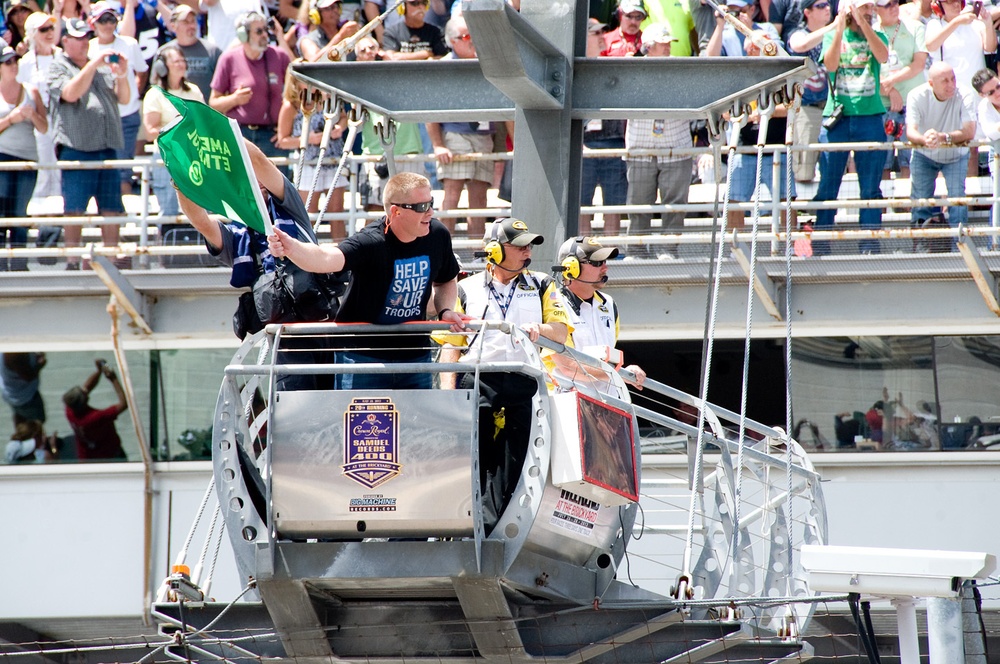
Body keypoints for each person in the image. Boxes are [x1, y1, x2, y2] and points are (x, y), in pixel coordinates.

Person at [266, 171, 466, 390]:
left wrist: (445, 310)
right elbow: (326, 259)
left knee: (415, 424)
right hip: (362, 356)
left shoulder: (438, 234)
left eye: (431, 203)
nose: (430, 212)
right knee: (360, 425)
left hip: (415, 354)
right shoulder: (371, 241)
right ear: (396, 211)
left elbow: (446, 280)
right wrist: (290, 247)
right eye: (421, 207)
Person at [176, 136, 342, 386]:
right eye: (248, 181)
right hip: (286, 343)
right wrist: (181, 182)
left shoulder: (291, 209)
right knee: (292, 409)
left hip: (327, 328)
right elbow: (201, 222)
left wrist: (221, 133)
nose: (258, 184)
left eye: (259, 179)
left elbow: (258, 161)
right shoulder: (237, 238)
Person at [445, 218, 570, 511]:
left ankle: (492, 524)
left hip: (522, 379)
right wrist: (449, 396)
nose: (528, 252)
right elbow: (451, 347)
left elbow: (561, 330)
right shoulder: (465, 287)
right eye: (520, 246)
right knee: (475, 457)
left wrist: (542, 330)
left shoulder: (542, 283)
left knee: (515, 462)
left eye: (529, 246)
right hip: (477, 377)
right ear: (495, 250)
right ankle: (467, 521)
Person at [47, 17, 131, 270]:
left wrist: (123, 74)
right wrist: (94, 64)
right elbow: (71, 93)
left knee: (111, 207)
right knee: (74, 208)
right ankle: (72, 260)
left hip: (106, 147)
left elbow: (124, 99)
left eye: (86, 38)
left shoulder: (100, 67)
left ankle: (111, 260)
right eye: (78, 38)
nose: (84, 43)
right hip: (77, 148)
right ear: (65, 41)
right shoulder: (58, 66)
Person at [811, 0, 888, 256]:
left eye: (870, 8)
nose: (867, 11)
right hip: (838, 120)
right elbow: (830, 65)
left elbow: (883, 56)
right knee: (828, 186)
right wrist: (841, 26)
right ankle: (820, 244)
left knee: (870, 187)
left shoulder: (878, 35)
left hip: (870, 117)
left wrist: (863, 23)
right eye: (863, 7)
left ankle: (869, 244)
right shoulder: (833, 35)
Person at [623, 23, 692, 253]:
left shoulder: (682, 70)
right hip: (641, 149)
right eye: (662, 44)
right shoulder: (632, 71)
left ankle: (667, 251)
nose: (666, 48)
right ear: (648, 47)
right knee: (638, 206)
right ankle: (636, 252)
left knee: (674, 207)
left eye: (667, 44)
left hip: (677, 147)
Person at [427, 16, 494, 238]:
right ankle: (442, 251)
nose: (472, 40)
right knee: (452, 196)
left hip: (484, 135)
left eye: (475, 34)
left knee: (479, 199)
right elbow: (430, 110)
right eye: (467, 36)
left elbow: (507, 108)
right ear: (453, 41)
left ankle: (478, 254)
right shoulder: (443, 67)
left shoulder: (489, 63)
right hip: (454, 134)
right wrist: (437, 145)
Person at [555, 236, 647, 388]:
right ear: (571, 266)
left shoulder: (609, 304)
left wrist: (621, 372)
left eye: (605, 262)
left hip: (608, 403)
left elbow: (609, 358)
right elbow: (568, 366)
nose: (605, 268)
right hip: (567, 404)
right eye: (597, 263)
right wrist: (620, 373)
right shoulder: (553, 304)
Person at [905, 61, 976, 246]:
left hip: (956, 155)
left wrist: (942, 137)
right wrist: (925, 140)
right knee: (920, 201)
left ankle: (960, 248)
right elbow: (910, 132)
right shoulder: (916, 95)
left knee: (957, 200)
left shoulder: (965, 93)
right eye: (945, 81)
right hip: (923, 153)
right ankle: (920, 247)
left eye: (953, 78)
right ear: (931, 83)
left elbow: (970, 131)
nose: (951, 84)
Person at [274, 64, 348, 238]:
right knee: (308, 213)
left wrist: (339, 128)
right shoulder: (291, 105)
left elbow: (344, 117)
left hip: (333, 160)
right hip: (308, 164)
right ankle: (307, 257)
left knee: (337, 213)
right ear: (295, 81)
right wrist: (308, 139)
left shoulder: (329, 98)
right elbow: (282, 141)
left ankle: (343, 258)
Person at [209, 11, 291, 160]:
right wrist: (234, 99)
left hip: (272, 138)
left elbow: (298, 90)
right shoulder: (228, 59)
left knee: (275, 184)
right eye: (259, 31)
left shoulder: (280, 56)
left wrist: (286, 127)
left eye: (266, 30)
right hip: (240, 135)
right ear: (243, 35)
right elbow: (213, 103)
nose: (265, 35)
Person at [89, 1, 148, 198]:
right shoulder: (87, 48)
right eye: (103, 19)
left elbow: (142, 71)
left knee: (123, 171)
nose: (108, 24)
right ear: (93, 23)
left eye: (112, 18)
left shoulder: (129, 43)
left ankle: (123, 221)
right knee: (100, 170)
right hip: (98, 119)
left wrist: (133, 93)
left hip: (126, 116)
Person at [142, 43, 204, 218]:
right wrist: (176, 129)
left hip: (193, 158)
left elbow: (202, 124)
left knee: (198, 211)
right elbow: (149, 131)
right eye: (176, 61)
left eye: (183, 60)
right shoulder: (155, 94)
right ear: (163, 67)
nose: (181, 64)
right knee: (168, 212)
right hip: (166, 159)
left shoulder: (194, 91)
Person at [0, 38, 45, 272]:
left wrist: (32, 116)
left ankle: (19, 265)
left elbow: (45, 127)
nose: (13, 65)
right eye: (7, 62)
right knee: (1, 211)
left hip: (27, 159)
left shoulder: (31, 90)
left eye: (14, 60)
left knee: (19, 211)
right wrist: (11, 119)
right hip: (2, 159)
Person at [875, 0, 926, 179]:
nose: (894, 7)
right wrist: (890, 90)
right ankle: (881, 207)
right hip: (881, 103)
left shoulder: (915, 27)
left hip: (912, 102)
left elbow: (919, 64)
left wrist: (890, 81)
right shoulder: (871, 31)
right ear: (876, 9)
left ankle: (908, 207)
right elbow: (867, 70)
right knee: (881, 163)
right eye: (887, 5)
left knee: (912, 161)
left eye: (895, 2)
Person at [786, 0, 835, 183]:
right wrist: (834, 27)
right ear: (807, 12)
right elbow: (800, 45)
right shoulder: (797, 33)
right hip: (808, 108)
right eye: (820, 6)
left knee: (833, 168)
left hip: (834, 109)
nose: (827, 9)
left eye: (828, 5)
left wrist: (835, 29)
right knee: (804, 172)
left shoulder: (836, 34)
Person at [17, 11, 60, 202]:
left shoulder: (62, 56)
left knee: (60, 167)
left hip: (63, 119)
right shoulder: (24, 62)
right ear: (32, 34)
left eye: (51, 28)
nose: (49, 33)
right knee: (43, 165)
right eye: (44, 30)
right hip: (36, 122)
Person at [63, 358, 128, 461]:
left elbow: (87, 387)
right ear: (85, 401)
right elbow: (124, 404)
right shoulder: (95, 418)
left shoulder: (70, 410)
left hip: (87, 457)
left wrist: (99, 371)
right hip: (109, 456)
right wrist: (113, 379)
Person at [156, 4, 221, 101]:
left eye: (193, 21)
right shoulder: (164, 52)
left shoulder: (213, 51)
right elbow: (156, 84)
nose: (191, 26)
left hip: (205, 112)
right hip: (173, 111)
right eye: (186, 22)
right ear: (173, 26)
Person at [381, 0, 448, 60]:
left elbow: (443, 58)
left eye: (424, 3)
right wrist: (424, 54)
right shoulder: (391, 32)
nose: (421, 7)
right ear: (402, 7)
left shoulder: (436, 32)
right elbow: (390, 58)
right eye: (415, 3)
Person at [0, 352, 46, 428]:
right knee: (35, 426)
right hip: (26, 398)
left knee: (20, 421)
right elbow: (28, 376)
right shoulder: (15, 355)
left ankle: (19, 437)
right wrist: (40, 364)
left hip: (13, 395)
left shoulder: (8, 350)